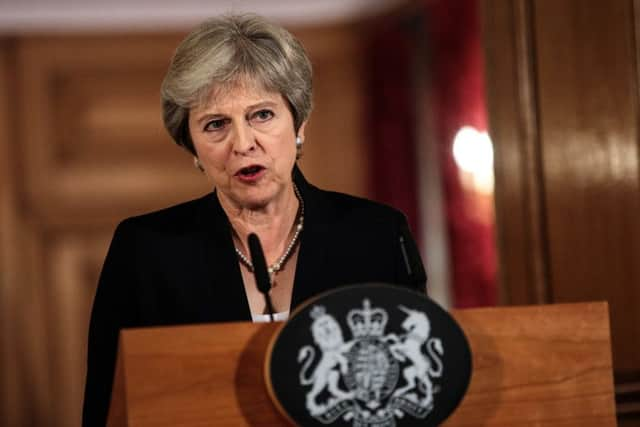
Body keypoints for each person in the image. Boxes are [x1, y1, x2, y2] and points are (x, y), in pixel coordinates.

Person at [82, 13, 427, 426]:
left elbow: (418, 390)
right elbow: (107, 411)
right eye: (216, 125)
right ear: (191, 146)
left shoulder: (376, 235)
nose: (243, 143)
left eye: (262, 115)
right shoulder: (146, 251)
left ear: (298, 124)